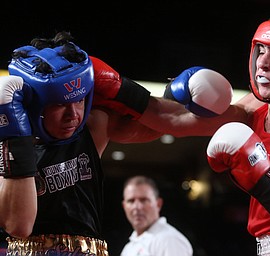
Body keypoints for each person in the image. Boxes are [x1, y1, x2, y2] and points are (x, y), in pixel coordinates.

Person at [135, 11, 270, 255]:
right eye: (261, 50)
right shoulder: (257, 108)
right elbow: (178, 120)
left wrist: (263, 181)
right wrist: (118, 90)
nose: (263, 63)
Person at [0, 31, 164, 255]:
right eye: (59, 104)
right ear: (34, 102)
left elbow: (161, 123)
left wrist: (135, 91)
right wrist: (16, 137)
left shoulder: (94, 125)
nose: (73, 115)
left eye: (79, 100)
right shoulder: (6, 149)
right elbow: (19, 226)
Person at [120, 175, 193, 256]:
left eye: (144, 200)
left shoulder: (169, 240)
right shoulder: (129, 247)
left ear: (158, 204)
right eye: (131, 201)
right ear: (124, 206)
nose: (137, 207)